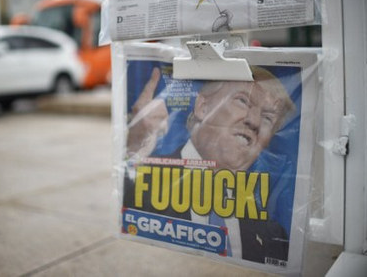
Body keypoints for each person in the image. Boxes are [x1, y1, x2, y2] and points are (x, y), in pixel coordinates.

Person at [124, 66, 295, 263]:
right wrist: (135, 147)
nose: (255, 121)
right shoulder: (142, 184)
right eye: (243, 101)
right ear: (202, 107)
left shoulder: (272, 235)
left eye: (268, 118)